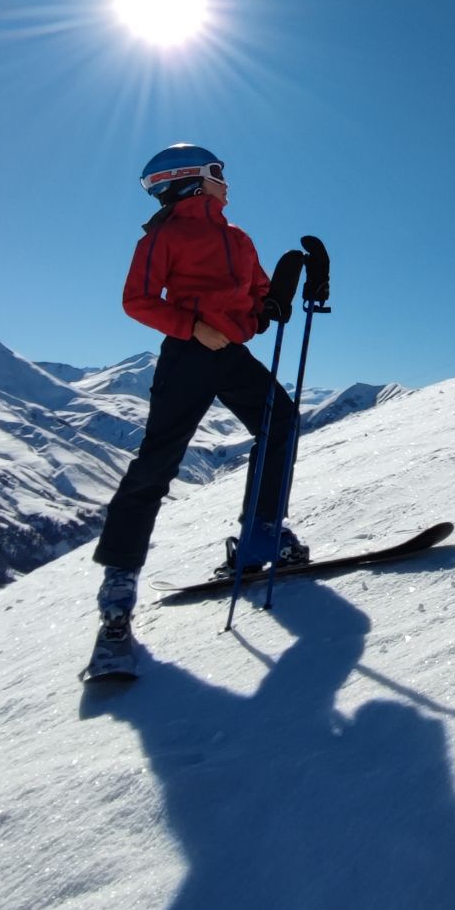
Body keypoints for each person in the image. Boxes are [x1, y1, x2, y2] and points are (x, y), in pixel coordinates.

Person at [88, 144, 309, 666]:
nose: (226, 183)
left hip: (230, 354)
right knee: (157, 464)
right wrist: (193, 327)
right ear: (188, 179)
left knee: (281, 422)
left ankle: (261, 536)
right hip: (188, 354)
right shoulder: (163, 237)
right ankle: (118, 591)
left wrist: (271, 305)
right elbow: (138, 300)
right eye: (217, 173)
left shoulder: (238, 237)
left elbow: (257, 297)